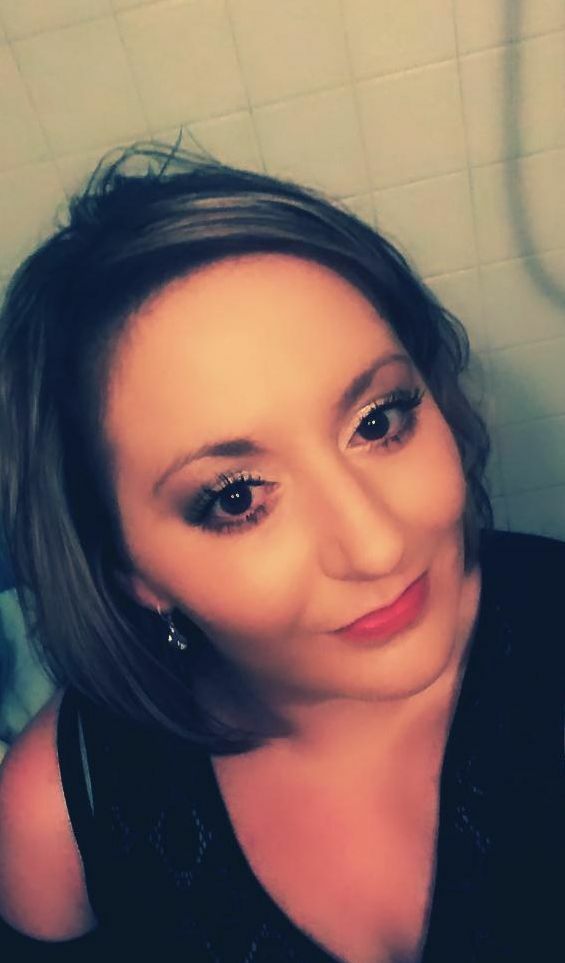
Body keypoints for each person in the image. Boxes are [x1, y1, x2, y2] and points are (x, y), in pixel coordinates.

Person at [0, 144, 562, 963]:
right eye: (236, 497)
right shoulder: (54, 818)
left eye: (378, 421)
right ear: (129, 570)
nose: (377, 543)